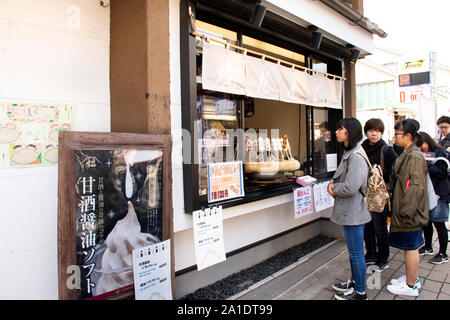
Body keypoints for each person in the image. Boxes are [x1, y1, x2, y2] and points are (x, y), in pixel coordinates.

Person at [327, 117, 371, 300]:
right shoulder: (352, 152)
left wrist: (334, 189)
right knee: (354, 252)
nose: (336, 132)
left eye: (340, 129)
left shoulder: (356, 156)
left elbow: (351, 187)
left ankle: (360, 292)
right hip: (351, 211)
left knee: (356, 253)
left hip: (354, 212)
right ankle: (354, 283)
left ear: (350, 132)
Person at [386, 119, 429, 297]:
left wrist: (405, 212)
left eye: (397, 133)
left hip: (409, 212)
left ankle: (411, 285)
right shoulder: (408, 153)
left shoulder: (414, 156)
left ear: (408, 136)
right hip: (405, 210)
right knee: (408, 245)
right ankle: (413, 278)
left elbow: (414, 187)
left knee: (411, 246)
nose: (395, 137)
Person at [362, 118, 398, 271]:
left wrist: (380, 174)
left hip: (380, 195)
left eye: (377, 131)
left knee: (379, 227)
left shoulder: (386, 149)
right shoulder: (362, 148)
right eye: (371, 130)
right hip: (364, 193)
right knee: (367, 226)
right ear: (366, 132)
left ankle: (383, 257)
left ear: (381, 132)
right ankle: (371, 254)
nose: (374, 134)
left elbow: (396, 169)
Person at [417, 131, 449, 264]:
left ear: (426, 141)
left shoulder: (440, 153)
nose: (419, 147)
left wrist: (427, 164)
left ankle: (443, 253)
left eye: (420, 144)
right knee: (426, 221)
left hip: (439, 194)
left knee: (439, 223)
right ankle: (428, 246)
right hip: (426, 194)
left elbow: (442, 171)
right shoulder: (419, 154)